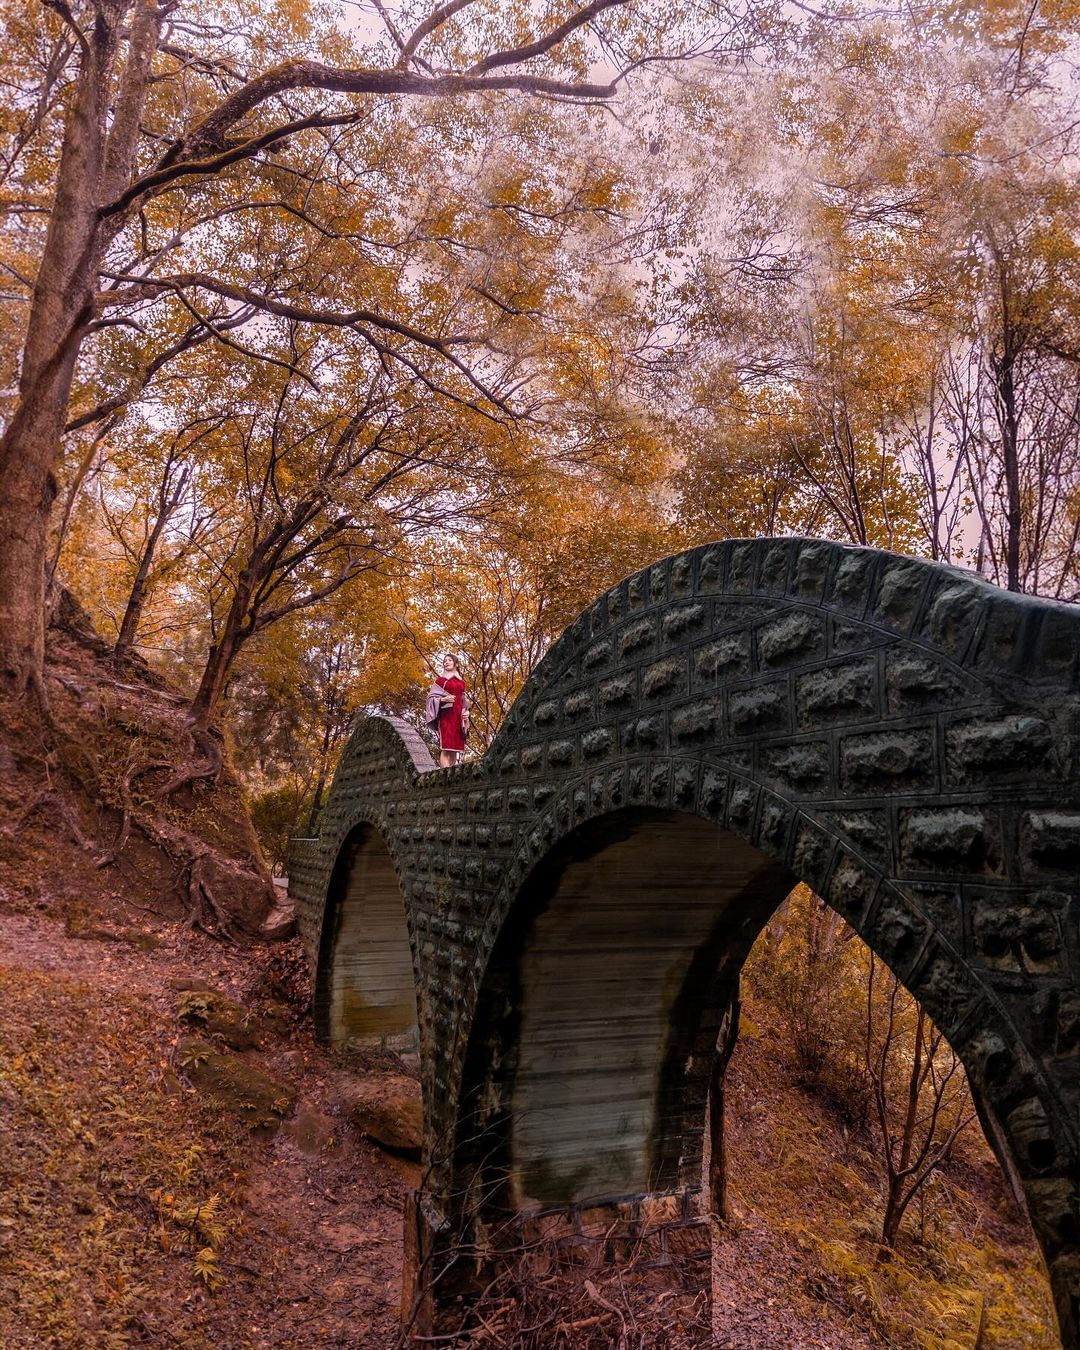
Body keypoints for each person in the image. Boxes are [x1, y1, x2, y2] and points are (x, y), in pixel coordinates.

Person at [430, 654, 469, 768]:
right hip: (446, 716)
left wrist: (467, 712)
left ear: (456, 664)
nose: (446, 662)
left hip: (458, 718)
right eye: (445, 661)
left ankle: (451, 774)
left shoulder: (461, 682)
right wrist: (443, 699)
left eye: (449, 660)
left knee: (455, 749)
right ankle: (444, 774)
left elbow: (464, 700)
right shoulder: (441, 681)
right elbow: (431, 698)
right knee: (446, 748)